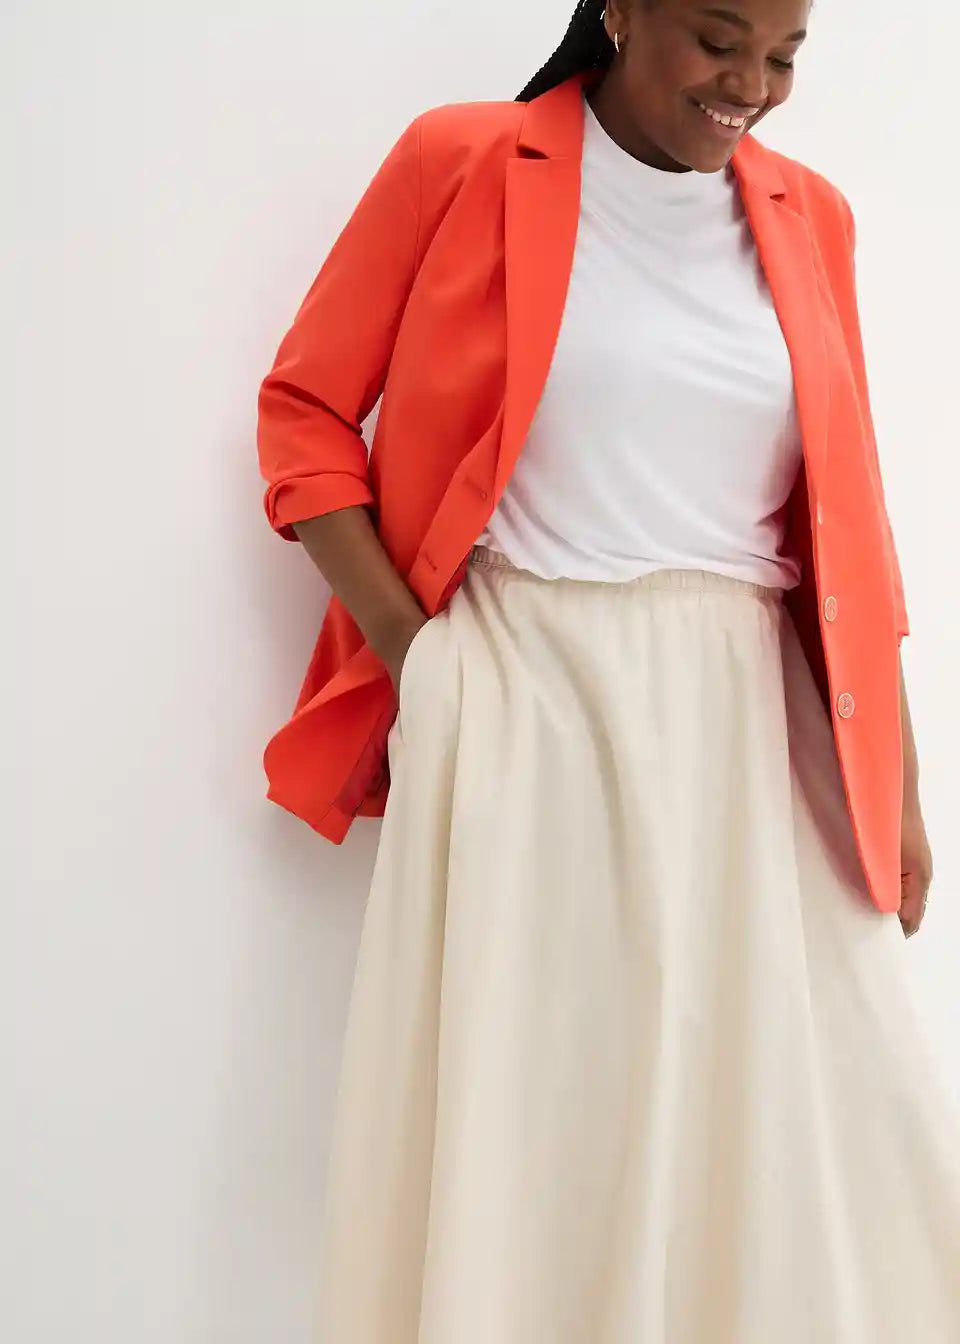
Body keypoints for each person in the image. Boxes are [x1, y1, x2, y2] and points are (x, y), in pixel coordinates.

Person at [256, 1, 960, 1338]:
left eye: (785, 56)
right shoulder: (463, 161)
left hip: (752, 718)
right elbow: (304, 411)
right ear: (622, 10)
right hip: (532, 686)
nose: (752, 85)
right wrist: (425, 658)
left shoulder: (812, 216)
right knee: (555, 1113)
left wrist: (902, 784)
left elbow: (851, 525)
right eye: (720, 42)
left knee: (820, 1110)